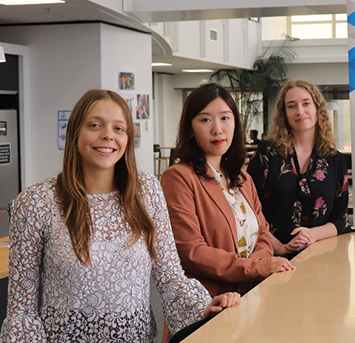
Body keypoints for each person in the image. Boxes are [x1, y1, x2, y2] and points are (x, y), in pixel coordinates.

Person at [0, 89, 240, 342]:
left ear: (127, 139)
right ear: (74, 132)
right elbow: (21, 310)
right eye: (95, 125)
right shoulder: (36, 201)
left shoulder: (147, 192)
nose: (107, 136)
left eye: (118, 128)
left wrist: (205, 306)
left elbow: (170, 279)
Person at [161, 83, 295, 300]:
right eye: (205, 120)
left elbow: (262, 232)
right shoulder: (178, 178)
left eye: (225, 118)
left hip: (254, 296)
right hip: (210, 304)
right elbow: (192, 251)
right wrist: (255, 268)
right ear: (190, 129)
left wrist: (259, 266)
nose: (217, 129)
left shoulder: (242, 178)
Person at [247, 79, 352, 258]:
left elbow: (340, 219)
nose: (300, 111)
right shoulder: (267, 153)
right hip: (270, 258)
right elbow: (248, 209)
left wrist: (312, 235)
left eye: (306, 104)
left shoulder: (334, 159)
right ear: (284, 113)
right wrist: (279, 247)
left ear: (317, 108)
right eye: (292, 106)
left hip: (321, 260)